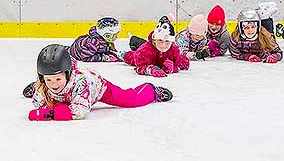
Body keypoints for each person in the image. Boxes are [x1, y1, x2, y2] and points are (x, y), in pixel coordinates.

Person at [28, 44, 172, 121]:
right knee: (55, 99)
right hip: (69, 94)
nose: (53, 84)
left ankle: (152, 91)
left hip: (97, 87)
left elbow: (80, 111)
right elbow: (39, 104)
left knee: (130, 99)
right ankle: (38, 87)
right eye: (48, 80)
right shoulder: (43, 85)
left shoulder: (82, 84)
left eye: (58, 79)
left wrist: (49, 114)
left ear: (67, 74)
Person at [123, 15, 189, 77]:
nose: (164, 45)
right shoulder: (145, 50)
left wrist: (173, 68)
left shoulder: (174, 50)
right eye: (160, 40)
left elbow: (184, 63)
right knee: (130, 56)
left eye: (167, 41)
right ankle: (123, 54)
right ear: (155, 40)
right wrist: (150, 69)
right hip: (136, 57)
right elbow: (140, 67)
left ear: (172, 42)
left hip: (155, 57)